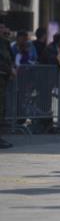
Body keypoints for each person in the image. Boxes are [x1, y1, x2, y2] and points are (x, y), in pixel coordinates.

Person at [0, 21, 16, 149]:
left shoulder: (5, 42)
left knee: (3, 108)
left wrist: (12, 69)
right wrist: (9, 70)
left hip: (4, 78)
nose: (4, 29)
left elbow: (10, 57)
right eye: (1, 28)